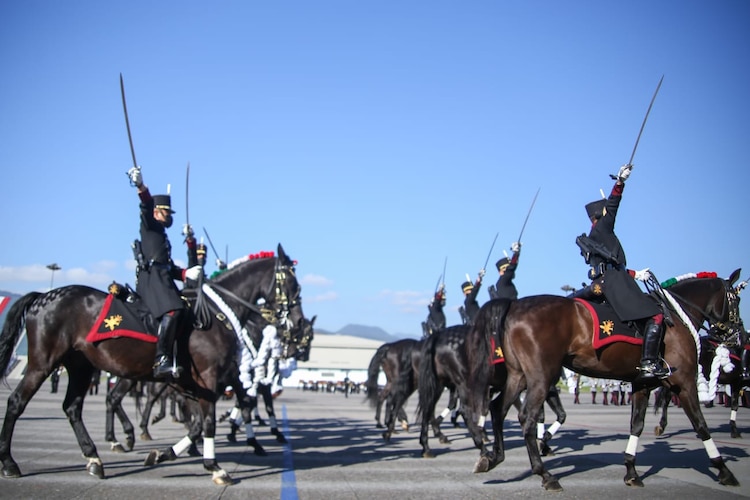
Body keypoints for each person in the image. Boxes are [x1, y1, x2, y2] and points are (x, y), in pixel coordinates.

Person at [578, 164, 667, 382]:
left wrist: (636, 274)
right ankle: (648, 363)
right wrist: (619, 183)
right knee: (656, 315)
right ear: (602, 214)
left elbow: (610, 264)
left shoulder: (593, 237)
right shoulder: (603, 229)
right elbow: (614, 206)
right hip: (614, 283)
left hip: (602, 282)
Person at [127, 166, 202, 378]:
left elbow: (167, 267)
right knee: (173, 310)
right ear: (157, 213)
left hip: (162, 278)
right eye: (166, 212)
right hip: (151, 280)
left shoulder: (162, 235)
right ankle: (161, 359)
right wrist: (141, 186)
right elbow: (146, 205)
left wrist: (186, 274)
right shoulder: (150, 225)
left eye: (169, 212)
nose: (169, 216)